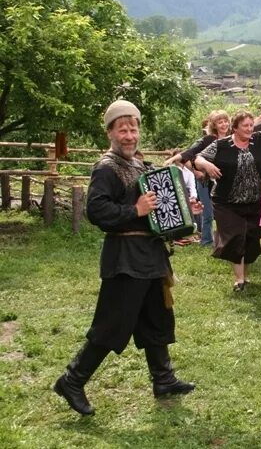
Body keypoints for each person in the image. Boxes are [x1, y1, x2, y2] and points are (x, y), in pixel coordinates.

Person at [53, 100, 197, 416]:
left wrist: (177, 227)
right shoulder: (107, 167)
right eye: (123, 129)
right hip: (125, 261)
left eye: (134, 128)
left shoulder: (139, 164)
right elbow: (96, 210)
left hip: (150, 257)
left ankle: (163, 379)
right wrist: (136, 210)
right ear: (110, 132)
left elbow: (157, 212)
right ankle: (72, 380)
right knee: (112, 324)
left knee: (155, 319)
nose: (130, 135)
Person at [193, 110, 261, 291]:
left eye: (251, 125)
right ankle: (239, 279)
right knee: (235, 237)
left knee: (250, 239)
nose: (249, 129)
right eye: (245, 126)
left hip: (253, 200)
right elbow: (198, 159)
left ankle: (245, 276)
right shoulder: (221, 145)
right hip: (226, 202)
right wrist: (207, 165)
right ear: (235, 128)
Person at [165, 110, 231, 246]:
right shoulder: (208, 140)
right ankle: (206, 240)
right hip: (206, 182)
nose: (224, 124)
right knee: (207, 213)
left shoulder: (233, 137)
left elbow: (253, 128)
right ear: (214, 125)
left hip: (225, 182)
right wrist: (173, 159)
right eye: (220, 122)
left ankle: (223, 240)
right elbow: (189, 152)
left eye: (225, 121)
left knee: (224, 214)